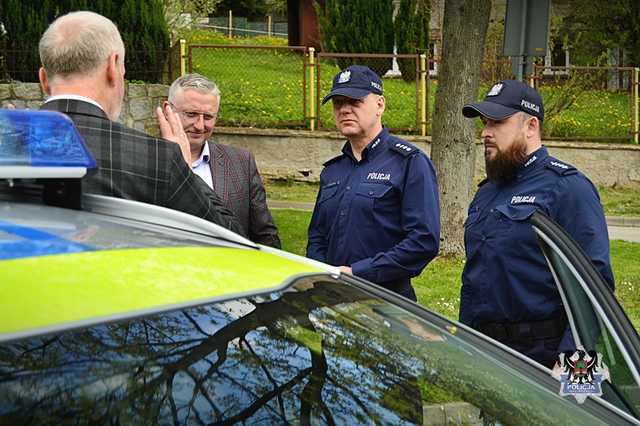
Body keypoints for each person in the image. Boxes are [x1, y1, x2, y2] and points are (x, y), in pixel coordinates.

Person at [37, 11, 243, 235]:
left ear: (43, 80)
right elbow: (229, 233)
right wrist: (184, 168)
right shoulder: (157, 158)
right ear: (112, 68)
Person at [460, 79, 615, 368]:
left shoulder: (568, 188)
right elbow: (475, 277)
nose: (486, 133)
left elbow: (596, 287)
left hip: (550, 356)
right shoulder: (487, 192)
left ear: (531, 126)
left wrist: (573, 370)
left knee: (573, 414)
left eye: (497, 123)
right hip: (491, 354)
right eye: (484, 123)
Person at [306, 65, 440, 301]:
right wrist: (323, 275)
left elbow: (423, 242)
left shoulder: (409, 163)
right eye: (338, 103)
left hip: (386, 303)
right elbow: (317, 235)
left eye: (354, 101)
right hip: (334, 301)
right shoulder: (333, 171)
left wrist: (358, 273)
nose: (344, 110)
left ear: (380, 105)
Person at [165, 74, 281, 247]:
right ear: (168, 110)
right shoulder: (144, 162)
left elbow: (265, 236)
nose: (199, 125)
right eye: (191, 114)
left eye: (209, 117)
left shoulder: (241, 162)